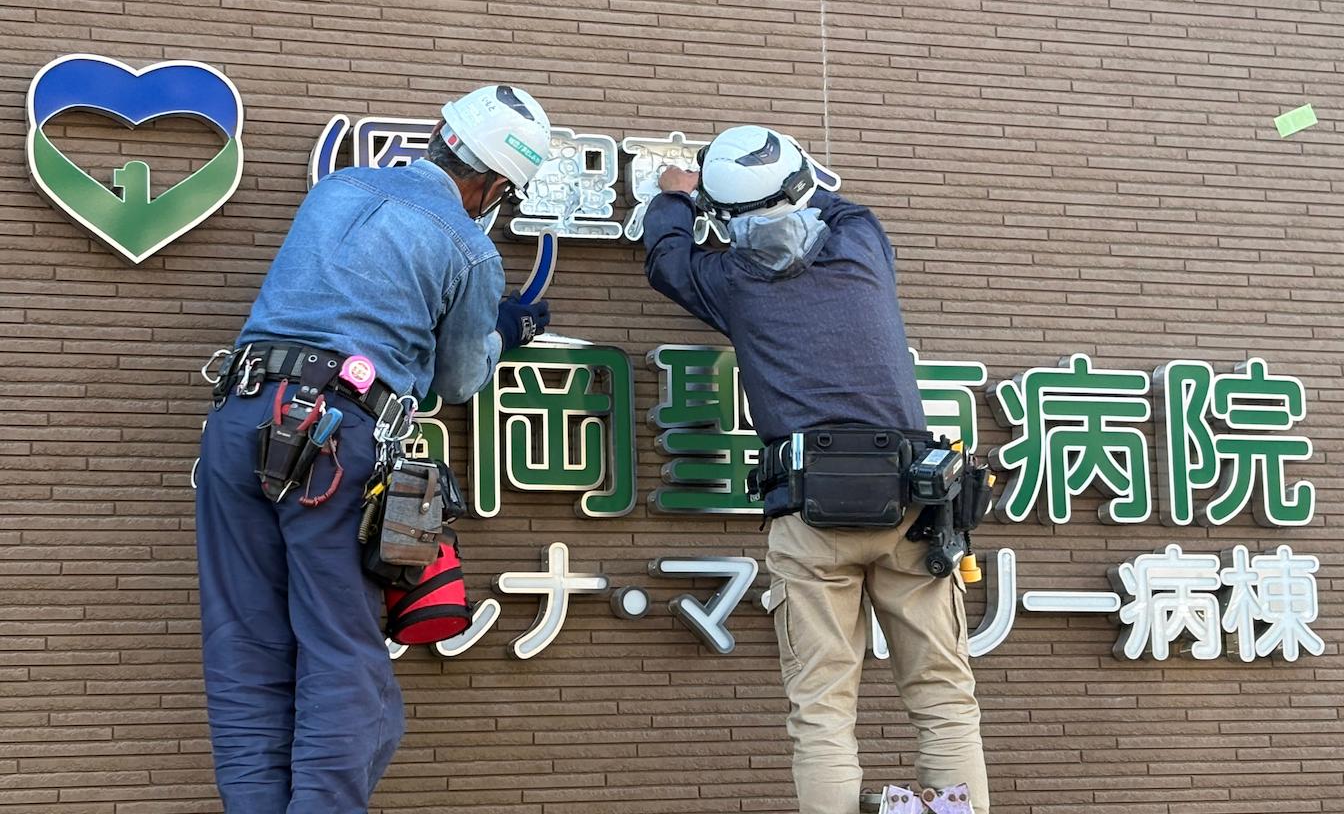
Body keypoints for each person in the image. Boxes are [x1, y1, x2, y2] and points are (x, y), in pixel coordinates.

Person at [194, 85, 555, 814]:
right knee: (340, 652)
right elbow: (457, 379)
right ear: (490, 184)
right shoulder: (469, 248)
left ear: (439, 136)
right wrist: (505, 333)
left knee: (245, 645)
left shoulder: (338, 188)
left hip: (238, 418)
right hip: (331, 438)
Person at [641, 125, 990, 814]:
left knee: (822, 710)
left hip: (810, 512)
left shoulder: (731, 282)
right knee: (944, 699)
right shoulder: (860, 244)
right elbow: (833, 204)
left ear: (724, 216)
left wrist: (676, 197)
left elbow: (665, 259)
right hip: (912, 505)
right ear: (801, 185)